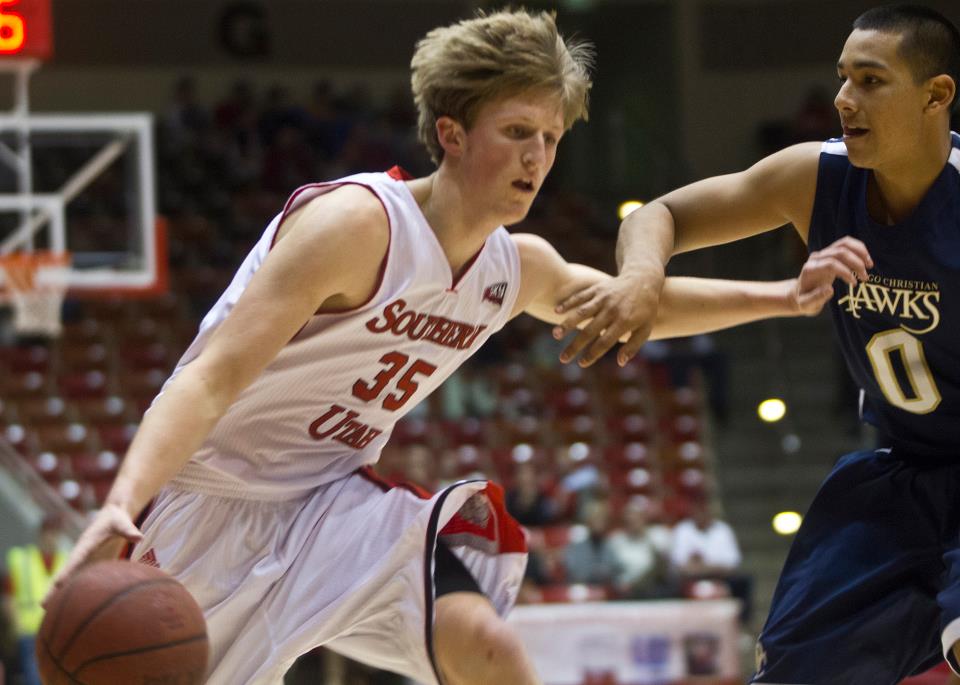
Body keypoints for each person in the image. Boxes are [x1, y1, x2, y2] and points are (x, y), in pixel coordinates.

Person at [53, 9, 849, 685]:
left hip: (330, 503)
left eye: (550, 136)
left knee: (490, 644)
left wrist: (782, 298)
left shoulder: (513, 265)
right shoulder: (358, 226)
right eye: (516, 132)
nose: (538, 156)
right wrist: (123, 500)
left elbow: (631, 307)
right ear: (451, 133)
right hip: (209, 499)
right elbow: (210, 376)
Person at [554, 5, 960, 684]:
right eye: (841, 78)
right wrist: (641, 278)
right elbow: (663, 214)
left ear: (937, 95)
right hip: (901, 467)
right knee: (791, 663)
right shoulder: (816, 178)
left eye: (870, 79)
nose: (842, 99)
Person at [3, 516, 68, 685]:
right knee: (34, 677)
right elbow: (10, 595)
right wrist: (16, 624)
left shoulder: (66, 560)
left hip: (57, 630)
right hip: (30, 629)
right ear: (41, 534)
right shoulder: (21, 559)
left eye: (55, 534)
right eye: (49, 533)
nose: (52, 538)